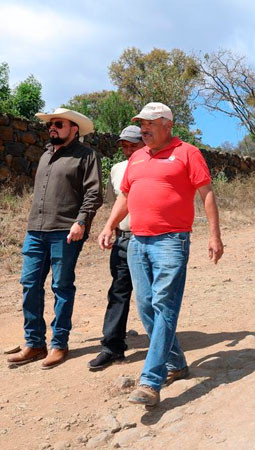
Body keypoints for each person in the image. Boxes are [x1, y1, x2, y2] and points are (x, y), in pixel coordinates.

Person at [98, 102, 224, 406]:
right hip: (137, 243)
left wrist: (215, 235)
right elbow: (126, 195)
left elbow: (206, 193)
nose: (143, 128)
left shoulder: (187, 153)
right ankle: (176, 363)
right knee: (146, 307)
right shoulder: (137, 157)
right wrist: (109, 225)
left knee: (164, 305)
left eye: (150, 123)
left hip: (171, 241)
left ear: (167, 124)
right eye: (141, 123)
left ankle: (151, 381)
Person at [7, 108, 102, 369]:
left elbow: (94, 193)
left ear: (74, 128)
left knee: (61, 287)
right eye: (50, 124)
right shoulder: (46, 154)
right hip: (36, 231)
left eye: (58, 124)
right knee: (29, 284)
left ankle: (59, 344)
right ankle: (35, 343)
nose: (52, 128)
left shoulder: (87, 156)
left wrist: (81, 222)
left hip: (66, 231)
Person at [88, 126, 145, 370]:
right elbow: (116, 203)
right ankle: (112, 348)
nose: (128, 150)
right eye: (124, 145)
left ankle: (164, 348)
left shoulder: (154, 164)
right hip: (123, 238)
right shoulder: (117, 169)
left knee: (151, 295)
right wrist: (110, 228)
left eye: (133, 145)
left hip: (148, 239)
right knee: (118, 292)